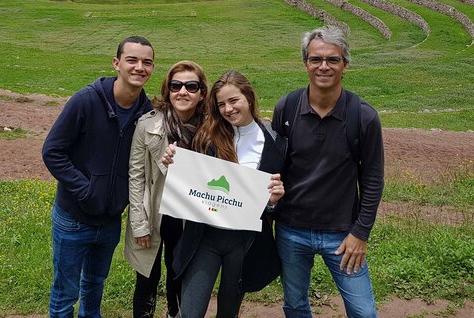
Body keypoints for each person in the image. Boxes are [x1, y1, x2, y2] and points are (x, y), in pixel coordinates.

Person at [271, 26, 384, 318]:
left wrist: (360, 233)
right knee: (295, 305)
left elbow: (372, 178)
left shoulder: (363, 116)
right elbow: (273, 165)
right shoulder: (287, 107)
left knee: (363, 312)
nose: (324, 66)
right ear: (305, 63)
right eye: (315, 59)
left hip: (342, 234)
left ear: (345, 65)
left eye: (332, 59)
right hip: (291, 229)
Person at [42, 36, 155, 318]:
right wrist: (85, 189)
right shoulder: (86, 101)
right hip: (73, 217)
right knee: (64, 294)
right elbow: (53, 151)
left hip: (109, 220)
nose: (139, 67)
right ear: (116, 63)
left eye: (147, 62)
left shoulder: (147, 112)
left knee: (95, 286)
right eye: (132, 60)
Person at [165, 70, 286, 318]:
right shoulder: (208, 135)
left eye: (234, 101)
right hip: (205, 239)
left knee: (228, 313)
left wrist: (273, 202)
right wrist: (172, 162)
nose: (228, 109)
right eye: (221, 104)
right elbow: (193, 182)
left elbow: (276, 202)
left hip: (244, 245)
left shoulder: (275, 142)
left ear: (249, 98)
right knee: (190, 312)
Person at [124, 61, 209, 318]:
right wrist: (139, 224)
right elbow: (136, 176)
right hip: (154, 213)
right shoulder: (147, 125)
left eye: (191, 86)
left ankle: (176, 313)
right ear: (167, 90)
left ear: (202, 93)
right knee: (147, 277)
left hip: (188, 217)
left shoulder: (210, 128)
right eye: (176, 86)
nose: (183, 92)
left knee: (179, 273)